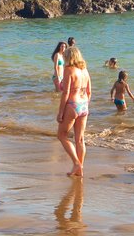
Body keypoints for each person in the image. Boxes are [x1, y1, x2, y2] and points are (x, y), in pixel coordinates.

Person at [57, 46, 91, 177]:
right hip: (84, 105)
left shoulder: (68, 70)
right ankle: (79, 169)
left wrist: (60, 113)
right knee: (80, 139)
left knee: (61, 135)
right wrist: (85, 105)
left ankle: (76, 163)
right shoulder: (85, 70)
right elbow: (89, 92)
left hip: (72, 104)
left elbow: (65, 93)